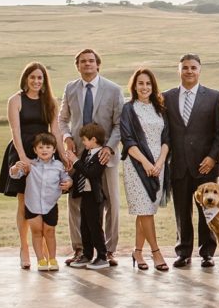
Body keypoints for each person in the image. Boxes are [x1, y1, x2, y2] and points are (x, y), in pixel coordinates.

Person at [0, 61, 65, 270]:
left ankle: (44, 250)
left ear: (44, 81)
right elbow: (14, 131)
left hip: (44, 151)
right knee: (24, 201)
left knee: (45, 199)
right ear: (26, 78)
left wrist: (63, 154)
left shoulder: (50, 101)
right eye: (33, 77)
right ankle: (24, 247)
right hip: (22, 151)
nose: (36, 81)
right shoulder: (15, 100)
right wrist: (24, 157)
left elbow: (56, 131)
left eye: (40, 77)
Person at [58, 48, 123, 267]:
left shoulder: (113, 90)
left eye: (91, 61)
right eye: (83, 61)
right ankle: (80, 249)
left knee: (111, 202)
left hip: (106, 156)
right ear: (77, 66)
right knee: (76, 202)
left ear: (98, 65)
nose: (87, 64)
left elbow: (118, 124)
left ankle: (108, 250)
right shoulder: (70, 88)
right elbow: (62, 119)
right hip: (78, 155)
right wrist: (67, 137)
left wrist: (110, 148)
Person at [163, 53, 219, 268]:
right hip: (178, 164)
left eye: (193, 68)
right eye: (185, 67)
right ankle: (183, 252)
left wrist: (212, 157)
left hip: (205, 165)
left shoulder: (215, 96)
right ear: (178, 70)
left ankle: (207, 252)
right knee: (182, 210)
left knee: (208, 211)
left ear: (200, 70)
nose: (189, 71)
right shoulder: (167, 97)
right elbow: (166, 133)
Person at [120, 68, 171, 271]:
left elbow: (167, 139)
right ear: (134, 86)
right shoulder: (128, 109)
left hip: (159, 166)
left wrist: (159, 162)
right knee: (145, 211)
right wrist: (147, 163)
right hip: (136, 166)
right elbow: (128, 140)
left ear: (153, 86)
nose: (144, 87)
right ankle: (156, 253)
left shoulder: (160, 109)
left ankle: (138, 252)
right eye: (140, 83)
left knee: (146, 211)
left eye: (148, 83)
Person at [8, 133, 71, 272]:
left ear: (54, 149)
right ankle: (41, 260)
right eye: (40, 147)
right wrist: (15, 168)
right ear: (35, 150)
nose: (44, 150)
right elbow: (15, 175)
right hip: (33, 204)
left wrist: (68, 183)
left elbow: (66, 178)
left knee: (50, 232)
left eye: (48, 147)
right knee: (36, 232)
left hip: (50, 205)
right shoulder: (31, 165)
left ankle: (52, 259)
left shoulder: (58, 165)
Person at [68, 123, 110, 270]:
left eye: (85, 140)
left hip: (94, 197)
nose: (83, 143)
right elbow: (81, 172)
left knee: (95, 227)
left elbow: (91, 173)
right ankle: (87, 254)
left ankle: (102, 256)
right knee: (84, 226)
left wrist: (75, 161)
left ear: (93, 140)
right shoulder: (87, 153)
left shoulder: (101, 155)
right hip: (85, 195)